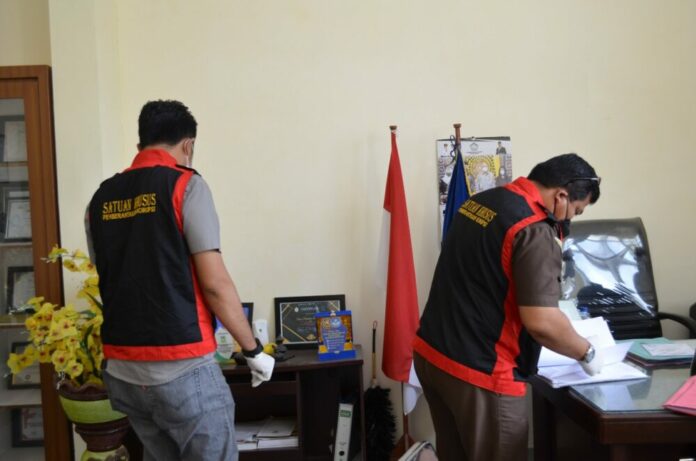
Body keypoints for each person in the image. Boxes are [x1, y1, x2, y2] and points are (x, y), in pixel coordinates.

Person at [86, 100, 275, 460]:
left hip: (124, 370)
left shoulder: (100, 197)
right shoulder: (186, 186)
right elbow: (215, 284)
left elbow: (110, 272)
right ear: (188, 145)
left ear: (140, 144)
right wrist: (252, 350)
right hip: (182, 366)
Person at [413, 153, 603, 461]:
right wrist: (587, 352)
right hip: (482, 374)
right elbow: (541, 322)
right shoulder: (534, 228)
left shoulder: (481, 201)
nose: (571, 219)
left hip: (433, 356)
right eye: (576, 210)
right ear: (561, 196)